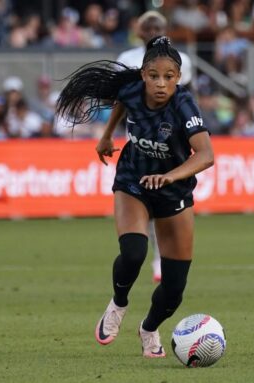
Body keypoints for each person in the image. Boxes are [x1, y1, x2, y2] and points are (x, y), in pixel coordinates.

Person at [56, 36, 214, 357]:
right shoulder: (131, 90)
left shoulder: (184, 105)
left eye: (168, 77)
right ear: (143, 75)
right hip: (133, 180)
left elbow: (206, 155)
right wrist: (105, 136)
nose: (160, 83)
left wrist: (170, 175)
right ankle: (118, 304)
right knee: (133, 252)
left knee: (173, 290)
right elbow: (122, 102)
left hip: (173, 191)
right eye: (153, 76)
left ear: (178, 78)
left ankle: (150, 328)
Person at [117, 10, 193, 282]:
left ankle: (163, 257)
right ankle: (154, 256)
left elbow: (184, 98)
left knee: (167, 205)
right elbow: (122, 99)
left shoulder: (181, 59)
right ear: (139, 31)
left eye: (156, 26)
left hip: (171, 146)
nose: (151, 31)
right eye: (147, 27)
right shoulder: (127, 59)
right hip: (139, 143)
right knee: (142, 206)